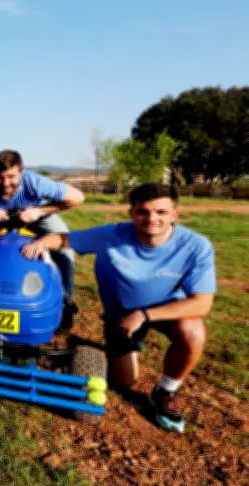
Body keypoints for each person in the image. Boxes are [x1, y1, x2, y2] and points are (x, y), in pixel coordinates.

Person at [21, 184, 215, 433]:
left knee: (194, 331)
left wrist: (143, 315)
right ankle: (122, 347)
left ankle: (165, 391)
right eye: (143, 211)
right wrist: (40, 243)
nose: (152, 218)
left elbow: (202, 303)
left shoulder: (196, 246)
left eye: (161, 212)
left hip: (166, 310)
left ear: (175, 215)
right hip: (121, 317)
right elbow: (64, 239)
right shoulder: (110, 235)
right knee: (123, 382)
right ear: (131, 213)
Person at [0, 149, 85, 329]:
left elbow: (78, 197)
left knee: (64, 244)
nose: (5, 183)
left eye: (11, 177)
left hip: (33, 215)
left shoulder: (36, 183)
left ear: (21, 171)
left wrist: (40, 211)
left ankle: (66, 298)